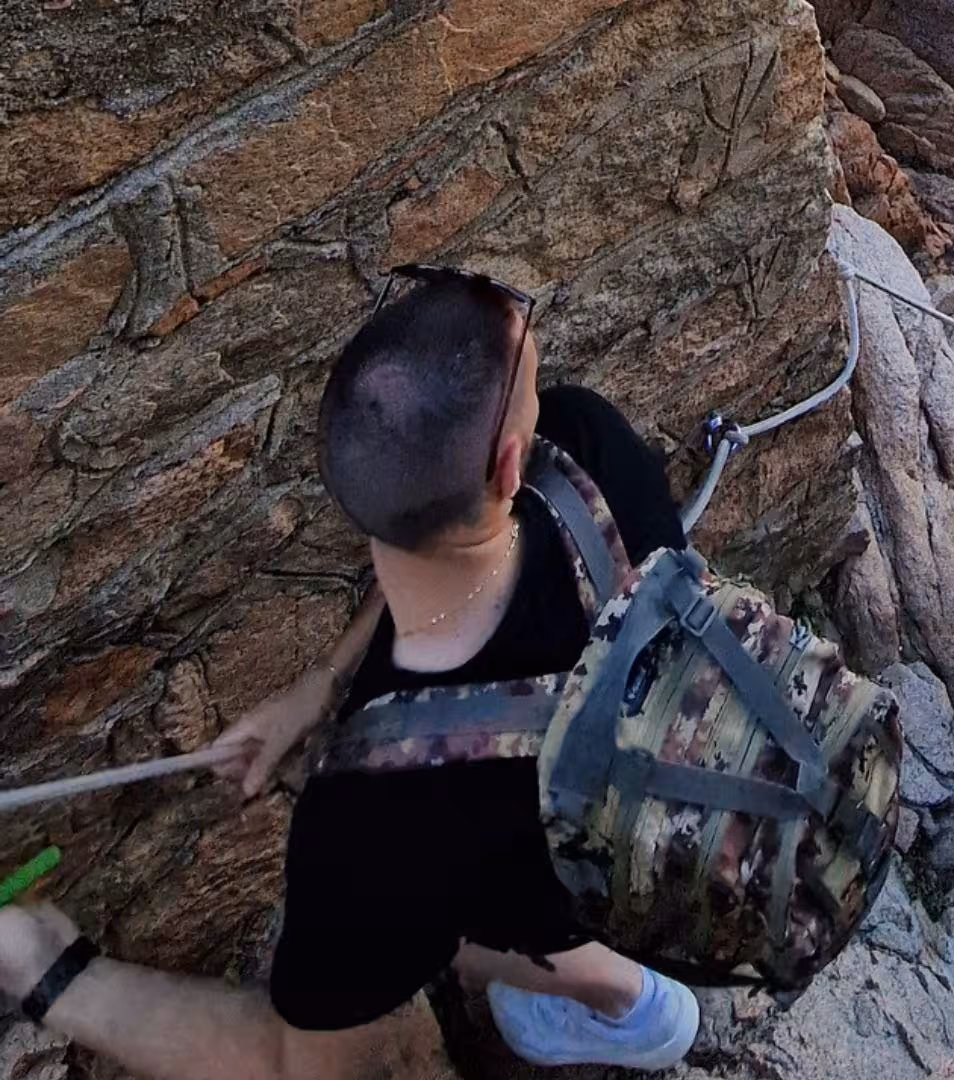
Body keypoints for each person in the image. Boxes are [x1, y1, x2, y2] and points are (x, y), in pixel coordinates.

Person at [0, 267, 701, 1077]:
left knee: (444, 931)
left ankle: (627, 997)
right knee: (461, 898)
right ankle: (632, 996)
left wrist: (47, 971)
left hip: (570, 882)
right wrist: (323, 685)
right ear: (512, 466)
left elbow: (289, 1060)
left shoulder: (370, 824)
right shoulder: (581, 440)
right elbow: (463, 552)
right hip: (675, 766)